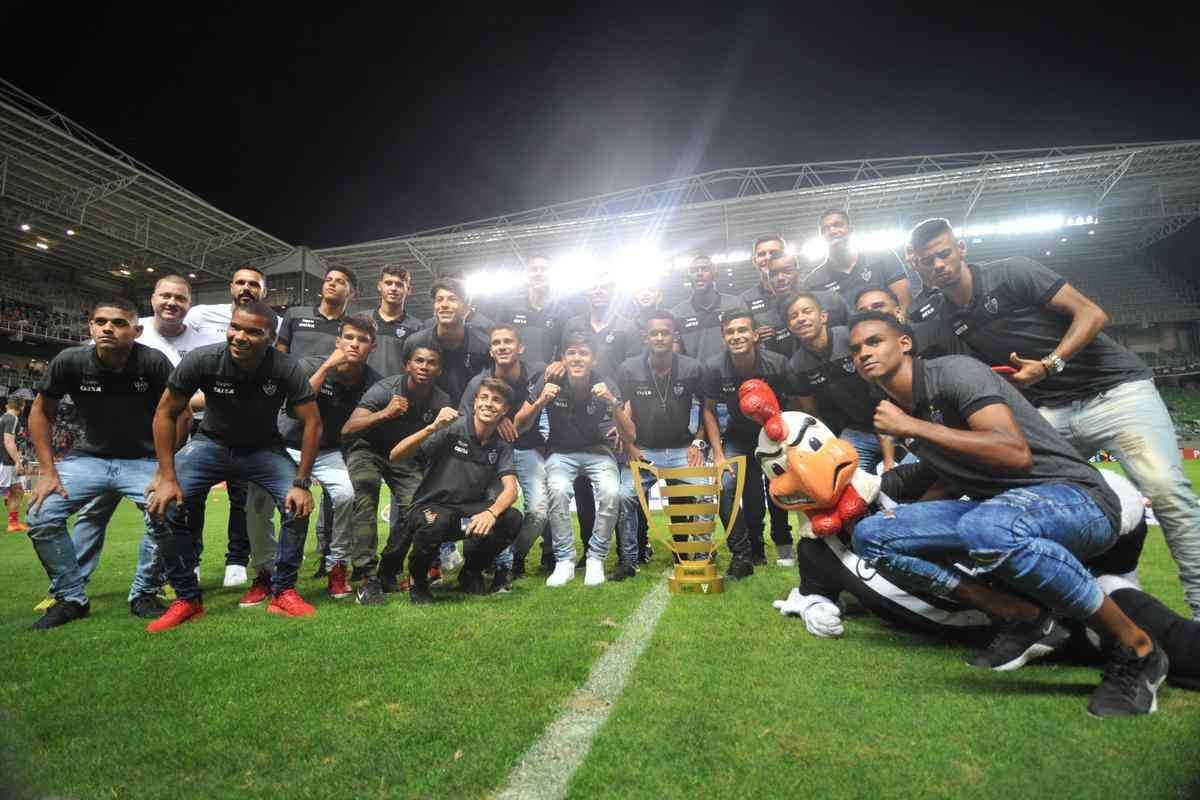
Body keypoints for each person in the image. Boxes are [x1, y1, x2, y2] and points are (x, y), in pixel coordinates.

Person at [847, 311, 1167, 716]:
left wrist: (914, 427)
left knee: (987, 527)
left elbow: (1013, 454)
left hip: (1076, 499)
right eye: (856, 350)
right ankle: (1027, 618)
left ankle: (1139, 649)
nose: (863, 353)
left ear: (904, 343)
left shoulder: (955, 373)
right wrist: (913, 523)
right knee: (874, 535)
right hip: (998, 508)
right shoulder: (900, 407)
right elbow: (955, 475)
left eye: (874, 341)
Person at [907, 217, 1200, 619]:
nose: (938, 264)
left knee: (1167, 491)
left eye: (943, 253)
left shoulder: (1013, 272)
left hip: (1114, 391)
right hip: (1050, 414)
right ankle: (1095, 597)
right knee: (1013, 498)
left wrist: (1049, 364)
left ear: (961, 249)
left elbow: (1093, 315)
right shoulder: (942, 315)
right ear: (917, 267)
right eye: (928, 261)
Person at [145, 302, 321, 632]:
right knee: (161, 506)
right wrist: (166, 475)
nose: (240, 337)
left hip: (264, 448)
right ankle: (187, 598)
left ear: (270, 338)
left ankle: (283, 591)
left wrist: (301, 482)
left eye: (253, 332)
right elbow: (165, 412)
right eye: (235, 328)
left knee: (297, 506)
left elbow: (312, 423)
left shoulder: (285, 367)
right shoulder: (203, 359)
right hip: (210, 444)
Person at [24, 299, 175, 628]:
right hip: (89, 458)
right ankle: (70, 597)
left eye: (119, 323)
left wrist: (167, 471)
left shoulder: (153, 362)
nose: (108, 328)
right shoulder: (70, 361)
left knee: (170, 511)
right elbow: (40, 412)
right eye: (101, 322)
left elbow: (180, 415)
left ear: (137, 331)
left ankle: (145, 592)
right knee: (41, 514)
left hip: (143, 458)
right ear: (90, 327)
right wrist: (47, 472)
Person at [243, 314, 381, 603]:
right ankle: (265, 572)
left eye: (363, 340)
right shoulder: (310, 364)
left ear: (373, 347)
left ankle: (337, 566)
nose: (355, 344)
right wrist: (328, 365)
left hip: (329, 450)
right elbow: (294, 410)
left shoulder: (372, 382)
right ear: (338, 340)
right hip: (286, 446)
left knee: (345, 494)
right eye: (349, 338)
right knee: (258, 499)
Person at [516, 330, 634, 586]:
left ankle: (596, 559)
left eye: (584, 353)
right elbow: (519, 425)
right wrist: (539, 402)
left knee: (612, 492)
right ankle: (565, 561)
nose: (577, 358)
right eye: (571, 353)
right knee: (557, 491)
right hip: (561, 452)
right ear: (563, 358)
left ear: (593, 359)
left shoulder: (606, 383)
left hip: (599, 451)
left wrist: (613, 403)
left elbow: (631, 435)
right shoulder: (549, 381)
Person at [389, 378, 523, 604]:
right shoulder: (452, 427)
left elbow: (511, 489)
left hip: (467, 514)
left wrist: (491, 513)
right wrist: (432, 427)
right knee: (435, 522)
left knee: (511, 518)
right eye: (484, 398)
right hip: (431, 508)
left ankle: (471, 572)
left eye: (497, 400)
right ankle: (418, 581)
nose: (489, 404)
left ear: (505, 410)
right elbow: (396, 455)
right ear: (475, 401)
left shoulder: (501, 443)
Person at [181, 266, 271, 587]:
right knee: (192, 496)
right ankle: (190, 560)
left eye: (254, 284)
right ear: (231, 286)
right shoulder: (201, 315)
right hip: (202, 424)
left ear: (263, 291)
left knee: (242, 497)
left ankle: (237, 559)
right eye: (241, 282)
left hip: (247, 424)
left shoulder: (272, 323)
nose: (247, 288)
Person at [342, 343, 450, 604]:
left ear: (439, 368)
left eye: (431, 362)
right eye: (419, 361)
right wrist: (384, 413)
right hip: (367, 449)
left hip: (403, 456)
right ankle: (366, 575)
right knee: (365, 492)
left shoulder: (441, 401)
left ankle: (388, 571)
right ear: (407, 365)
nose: (424, 366)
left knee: (417, 506)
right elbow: (348, 429)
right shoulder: (385, 389)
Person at [275, 265, 355, 578]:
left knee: (338, 499)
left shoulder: (351, 326)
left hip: (333, 419)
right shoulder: (295, 315)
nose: (333, 285)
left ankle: (329, 557)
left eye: (341, 282)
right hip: (293, 414)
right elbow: (279, 358)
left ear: (351, 293)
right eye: (329, 280)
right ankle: (270, 567)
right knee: (283, 498)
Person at [700, 309, 791, 579]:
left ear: (754, 335)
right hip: (738, 438)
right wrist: (718, 454)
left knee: (774, 491)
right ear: (723, 336)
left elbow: (793, 404)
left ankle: (776, 543)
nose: (736, 336)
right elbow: (708, 410)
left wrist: (787, 442)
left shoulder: (778, 364)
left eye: (742, 330)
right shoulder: (713, 367)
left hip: (774, 436)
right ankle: (743, 554)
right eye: (730, 331)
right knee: (726, 485)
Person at [458, 324, 552, 584]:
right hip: (492, 454)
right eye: (496, 342)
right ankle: (495, 565)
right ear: (491, 351)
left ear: (520, 348)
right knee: (492, 508)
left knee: (539, 511)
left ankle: (515, 557)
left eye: (508, 341)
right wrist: (494, 419)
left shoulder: (536, 374)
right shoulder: (479, 382)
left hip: (526, 448)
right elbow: (464, 417)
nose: (502, 346)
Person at [615, 311, 706, 579]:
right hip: (644, 449)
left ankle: (700, 557)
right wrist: (630, 447)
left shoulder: (692, 368)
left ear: (674, 335)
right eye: (654, 333)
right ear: (645, 337)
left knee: (705, 493)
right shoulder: (628, 369)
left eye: (665, 332)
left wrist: (698, 443)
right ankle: (629, 560)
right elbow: (624, 409)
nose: (659, 337)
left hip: (682, 450)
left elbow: (707, 409)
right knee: (624, 496)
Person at [562, 273, 640, 558]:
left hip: (613, 411)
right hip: (578, 412)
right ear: (586, 291)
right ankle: (588, 548)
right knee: (582, 487)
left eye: (604, 287)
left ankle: (630, 548)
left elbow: (633, 377)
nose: (598, 291)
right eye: (593, 285)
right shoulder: (573, 324)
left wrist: (623, 421)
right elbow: (564, 359)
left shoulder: (626, 326)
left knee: (619, 486)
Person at [785, 291, 895, 473]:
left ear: (823, 316)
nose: (801, 319)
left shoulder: (851, 337)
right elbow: (812, 413)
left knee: (905, 475)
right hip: (856, 430)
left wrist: (889, 458)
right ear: (789, 326)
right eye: (793, 316)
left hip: (894, 420)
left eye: (807, 311)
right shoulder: (796, 366)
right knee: (845, 475)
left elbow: (887, 383)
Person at [802, 209, 912, 313]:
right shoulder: (813, 282)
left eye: (838, 225)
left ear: (851, 230)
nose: (832, 231)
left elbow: (905, 304)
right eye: (825, 229)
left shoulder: (884, 257)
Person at [405, 279, 492, 408]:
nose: (444, 305)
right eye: (439, 300)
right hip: (425, 417)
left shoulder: (483, 345)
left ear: (467, 308)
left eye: (452, 299)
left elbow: (493, 385)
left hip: (469, 418)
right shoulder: (415, 343)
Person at [487, 255, 578, 366]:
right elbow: (496, 341)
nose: (538, 273)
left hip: (548, 379)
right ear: (527, 275)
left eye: (543, 269)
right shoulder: (509, 306)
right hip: (513, 375)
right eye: (533, 269)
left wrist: (562, 364)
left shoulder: (564, 313)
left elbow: (571, 348)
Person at [671, 256, 743, 366]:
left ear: (715, 274)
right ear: (689, 277)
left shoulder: (736, 304)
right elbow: (676, 355)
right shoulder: (677, 313)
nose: (699, 273)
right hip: (697, 379)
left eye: (704, 269)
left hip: (732, 376)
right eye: (694, 270)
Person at [366, 264, 424, 378]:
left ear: (409, 290)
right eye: (388, 283)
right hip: (362, 392)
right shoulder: (362, 319)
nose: (393, 288)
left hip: (398, 393)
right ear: (379, 286)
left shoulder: (418, 328)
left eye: (399, 285)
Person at [2, 397, 26, 533]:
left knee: (17, 490)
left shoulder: (3, 418)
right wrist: (18, 462)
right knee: (16, 491)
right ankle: (13, 523)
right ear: (21, 406)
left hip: (4, 460)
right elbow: (8, 442)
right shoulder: (12, 419)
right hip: (6, 462)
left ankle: (13, 523)